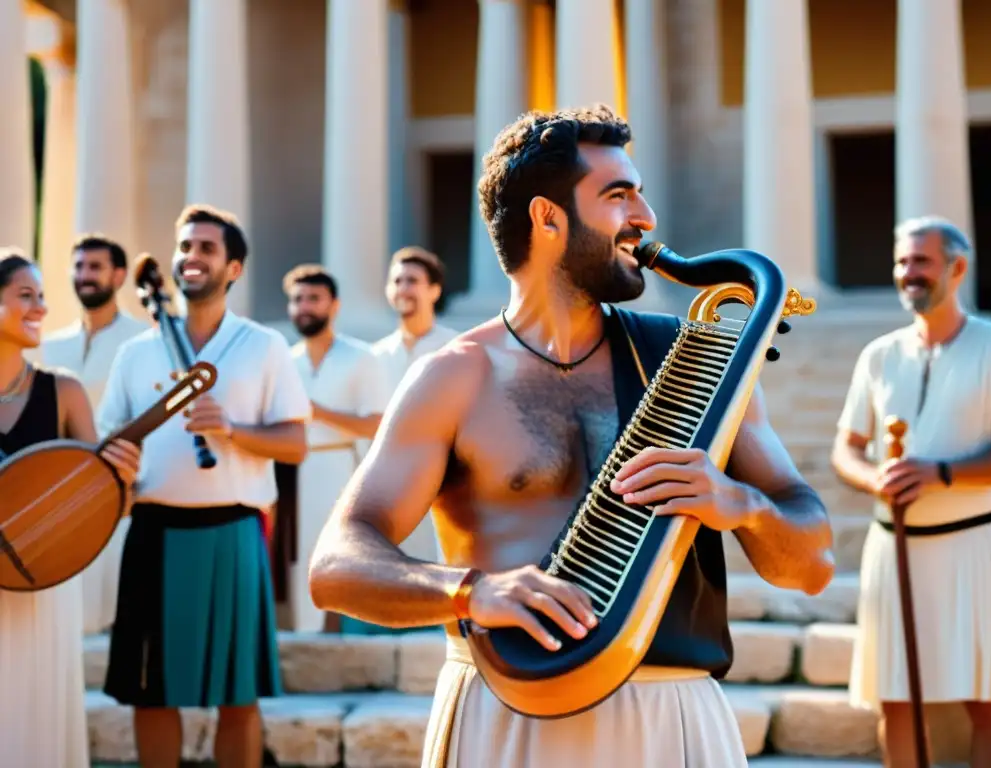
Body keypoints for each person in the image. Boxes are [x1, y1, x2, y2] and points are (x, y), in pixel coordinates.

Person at [308, 104, 834, 767]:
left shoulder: (695, 362)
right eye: (618, 196)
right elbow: (335, 569)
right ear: (547, 218)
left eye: (639, 193)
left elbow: (811, 565)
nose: (645, 217)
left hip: (672, 720)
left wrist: (739, 505)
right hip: (506, 722)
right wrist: (472, 590)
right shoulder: (453, 378)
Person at [97, 205, 311, 768]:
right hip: (152, 530)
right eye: (185, 247)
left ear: (234, 268)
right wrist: (116, 462)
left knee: (237, 697)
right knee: (151, 692)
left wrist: (232, 430)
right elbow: (107, 446)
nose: (191, 257)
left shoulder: (263, 346)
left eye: (206, 249)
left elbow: (294, 444)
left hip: (232, 532)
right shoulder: (134, 353)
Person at [832, 215, 991, 768]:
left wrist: (941, 474)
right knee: (894, 704)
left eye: (921, 261)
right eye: (902, 262)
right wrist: (876, 479)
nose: (908, 273)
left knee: (986, 705)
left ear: (957, 269)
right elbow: (847, 449)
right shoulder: (879, 355)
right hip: (892, 550)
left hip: (974, 548)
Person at [0, 248, 139, 768]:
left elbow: (113, 506)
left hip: (46, 583)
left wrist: (121, 479)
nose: (40, 307)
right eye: (24, 295)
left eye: (42, 296)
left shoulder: (64, 392)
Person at [32, 233, 149, 635]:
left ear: (119, 276)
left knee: (116, 600)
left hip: (121, 486)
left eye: (95, 267)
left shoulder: (143, 340)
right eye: (79, 266)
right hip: (59, 488)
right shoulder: (48, 345)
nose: (85, 275)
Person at [281, 263, 385, 632]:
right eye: (297, 300)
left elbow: (376, 422)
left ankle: (346, 634)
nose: (304, 307)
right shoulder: (284, 360)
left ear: (334, 305)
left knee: (340, 553)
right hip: (288, 471)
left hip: (339, 466)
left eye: (313, 298)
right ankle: (302, 636)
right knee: (296, 558)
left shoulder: (360, 356)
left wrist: (318, 412)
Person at [370, 248, 459, 584]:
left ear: (434, 290)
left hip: (442, 485)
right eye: (397, 281)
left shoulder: (457, 348)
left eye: (412, 281)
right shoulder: (374, 356)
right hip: (385, 489)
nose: (403, 288)